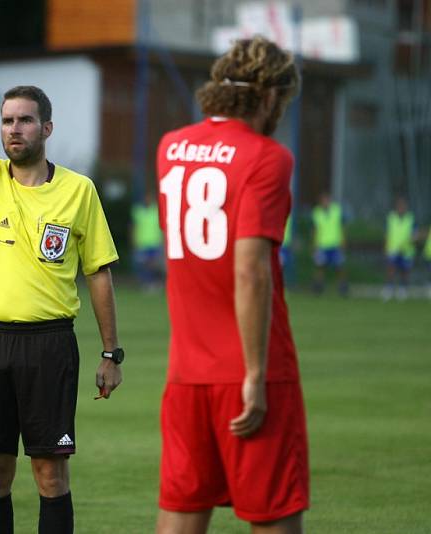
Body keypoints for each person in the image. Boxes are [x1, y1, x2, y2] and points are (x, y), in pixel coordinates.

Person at [0, 23, 123, 534]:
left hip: (50, 344)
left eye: (25, 121)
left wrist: (110, 353)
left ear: (47, 129)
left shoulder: (79, 191)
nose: (14, 129)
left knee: (50, 473)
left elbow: (99, 273)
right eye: (7, 121)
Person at [155, 37, 308, 534]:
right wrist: (256, 374)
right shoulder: (269, 157)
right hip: (249, 371)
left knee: (181, 512)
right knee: (273, 515)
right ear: (268, 97)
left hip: (186, 372)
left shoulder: (170, 147)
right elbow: (249, 270)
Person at [311, 192, 347, 295]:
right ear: (320, 202)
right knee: (320, 266)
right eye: (323, 200)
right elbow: (315, 230)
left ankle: (343, 287)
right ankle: (318, 287)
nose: (326, 202)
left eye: (327, 200)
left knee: (339, 267)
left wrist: (343, 241)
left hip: (335, 244)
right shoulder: (316, 213)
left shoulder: (337, 211)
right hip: (322, 245)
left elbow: (342, 227)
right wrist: (314, 245)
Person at [382, 196, 416, 301]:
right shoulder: (391, 218)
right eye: (399, 206)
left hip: (406, 249)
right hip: (393, 248)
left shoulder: (410, 218)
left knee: (405, 270)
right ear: (396, 207)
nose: (401, 208)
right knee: (391, 268)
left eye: (403, 206)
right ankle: (390, 287)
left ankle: (403, 289)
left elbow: (415, 233)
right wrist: (386, 246)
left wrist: (413, 238)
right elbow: (387, 233)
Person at [131, 192, 164, 291]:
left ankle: (154, 283)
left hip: (155, 243)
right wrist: (134, 241)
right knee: (143, 265)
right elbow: (133, 227)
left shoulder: (157, 210)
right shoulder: (138, 211)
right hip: (142, 243)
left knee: (154, 265)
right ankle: (147, 283)